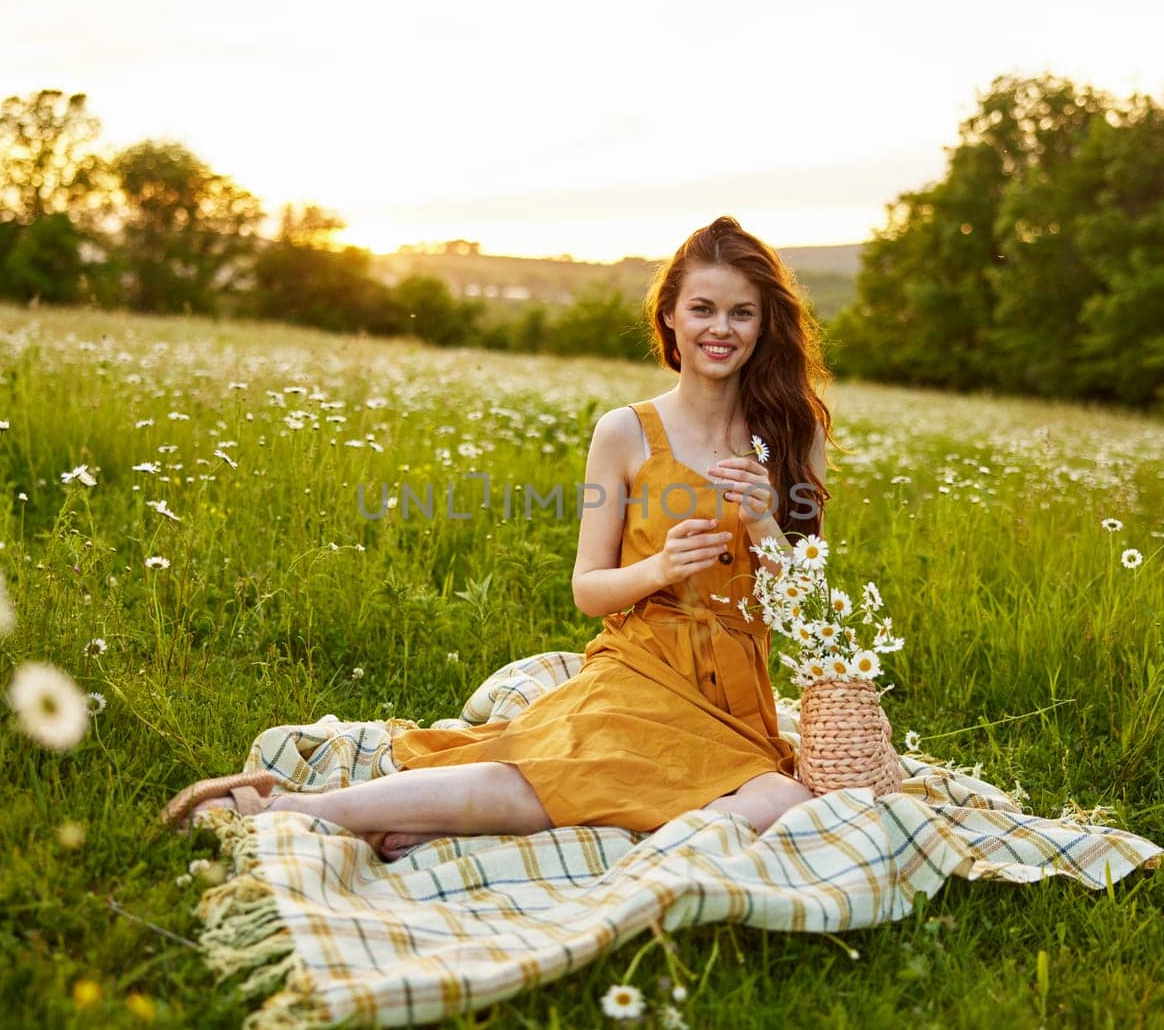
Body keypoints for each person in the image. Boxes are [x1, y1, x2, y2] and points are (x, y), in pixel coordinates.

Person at [162, 215, 837, 860]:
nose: (721, 329)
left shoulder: (789, 433)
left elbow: (808, 603)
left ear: (763, 322)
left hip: (736, 703)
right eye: (702, 308)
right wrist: (660, 565)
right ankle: (291, 809)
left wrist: (763, 524)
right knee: (547, 776)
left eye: (741, 312)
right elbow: (588, 591)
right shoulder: (625, 433)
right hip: (642, 669)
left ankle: (468, 828)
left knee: (779, 797)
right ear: (669, 315)